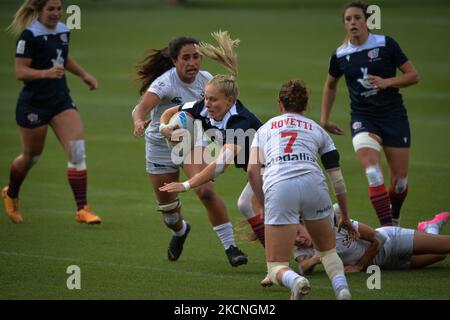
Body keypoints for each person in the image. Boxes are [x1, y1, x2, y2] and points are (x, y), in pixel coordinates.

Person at [132, 34, 248, 266]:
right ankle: (180, 231)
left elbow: (222, 106)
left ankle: (231, 247)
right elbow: (140, 110)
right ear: (175, 60)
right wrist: (138, 122)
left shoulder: (206, 80)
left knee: (204, 191)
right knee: (169, 213)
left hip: (190, 142)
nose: (193, 62)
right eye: (186, 58)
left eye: (196, 57)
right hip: (159, 145)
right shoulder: (164, 83)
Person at [246, 79, 359, 300]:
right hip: (313, 184)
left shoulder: (265, 129)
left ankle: (296, 281)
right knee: (327, 251)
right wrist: (344, 214)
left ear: (280, 104)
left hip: (280, 186)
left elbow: (252, 170)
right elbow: (337, 179)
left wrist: (264, 204)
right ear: (306, 106)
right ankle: (342, 290)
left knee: (276, 266)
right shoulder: (318, 130)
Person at [158, 31, 265, 248]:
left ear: (229, 100)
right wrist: (164, 129)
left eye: (213, 100)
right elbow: (170, 112)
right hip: (261, 169)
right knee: (247, 204)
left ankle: (303, 249)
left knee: (283, 212)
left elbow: (220, 166)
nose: (206, 104)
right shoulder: (204, 108)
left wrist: (186, 184)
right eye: (205, 98)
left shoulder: (239, 122)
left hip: (277, 166)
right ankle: (279, 259)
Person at [320, 1, 420, 227]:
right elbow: (330, 85)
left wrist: (388, 82)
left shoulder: (386, 45)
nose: (353, 22)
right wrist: (324, 119)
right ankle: (388, 230)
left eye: (357, 18)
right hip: (363, 119)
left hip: (394, 117)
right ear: (344, 24)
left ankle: (395, 217)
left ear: (367, 21)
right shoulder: (340, 55)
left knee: (400, 182)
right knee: (373, 173)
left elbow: (413, 75)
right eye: (348, 19)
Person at [2, 0, 101, 224]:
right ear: (38, 10)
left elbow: (62, 57)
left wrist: (83, 74)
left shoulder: (64, 31)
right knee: (31, 157)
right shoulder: (29, 36)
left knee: (77, 153)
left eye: (59, 9)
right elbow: (20, 71)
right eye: (51, 9)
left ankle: (82, 209)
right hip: (33, 105)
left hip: (61, 102)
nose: (56, 13)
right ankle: (11, 193)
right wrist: (46, 73)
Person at [293, 204, 450, 274]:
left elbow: (378, 238)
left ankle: (431, 227)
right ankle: (431, 227)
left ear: (303, 223)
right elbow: (303, 269)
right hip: (386, 264)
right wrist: (317, 256)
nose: (298, 240)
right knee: (440, 255)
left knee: (445, 246)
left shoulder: (337, 225)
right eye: (293, 240)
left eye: (298, 233)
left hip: (392, 241)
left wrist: (360, 266)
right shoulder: (302, 249)